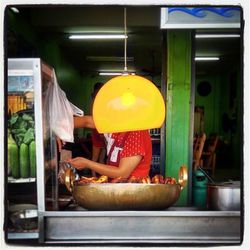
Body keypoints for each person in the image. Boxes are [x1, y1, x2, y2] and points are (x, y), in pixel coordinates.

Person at [67, 115, 152, 179]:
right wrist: (59, 129)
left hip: (133, 195)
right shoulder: (114, 125)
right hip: (116, 192)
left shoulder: (137, 131)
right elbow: (86, 121)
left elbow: (122, 173)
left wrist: (87, 163)